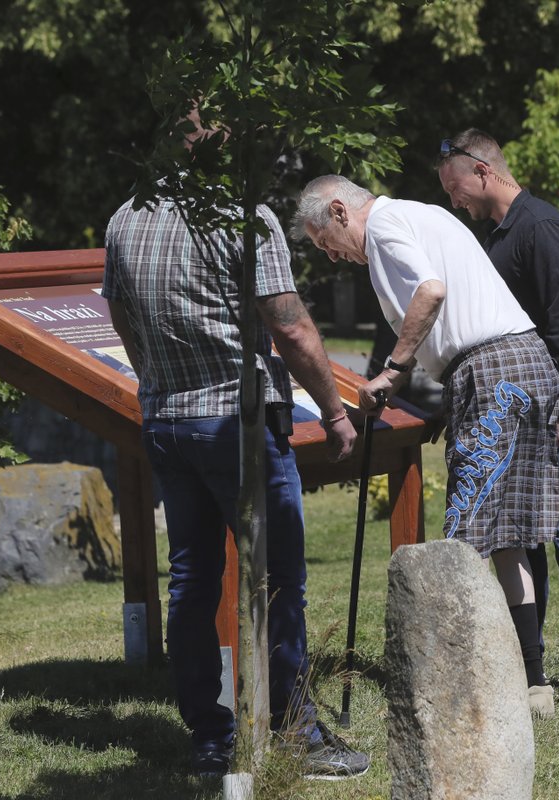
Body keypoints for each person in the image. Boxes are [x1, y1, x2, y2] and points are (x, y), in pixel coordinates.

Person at [102, 115, 370, 779]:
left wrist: (155, 381)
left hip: (166, 419)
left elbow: (120, 315)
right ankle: (295, 734)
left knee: (193, 579)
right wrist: (336, 412)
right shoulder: (243, 220)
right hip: (235, 422)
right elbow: (294, 331)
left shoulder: (123, 220)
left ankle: (209, 739)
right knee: (279, 577)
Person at [293, 174, 559, 719]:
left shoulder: (389, 223)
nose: (335, 258)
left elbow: (431, 291)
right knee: (505, 533)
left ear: (341, 213)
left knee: (464, 537)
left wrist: (393, 371)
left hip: (494, 372)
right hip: (519, 362)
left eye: (328, 244)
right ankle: (532, 683)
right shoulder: (420, 216)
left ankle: (462, 673)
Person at [437, 129, 559, 704]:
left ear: (482, 170)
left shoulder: (542, 228)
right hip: (515, 406)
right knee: (522, 529)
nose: (452, 200)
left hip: (552, 406)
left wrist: (556, 408)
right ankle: (527, 657)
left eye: (454, 187)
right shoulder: (497, 237)